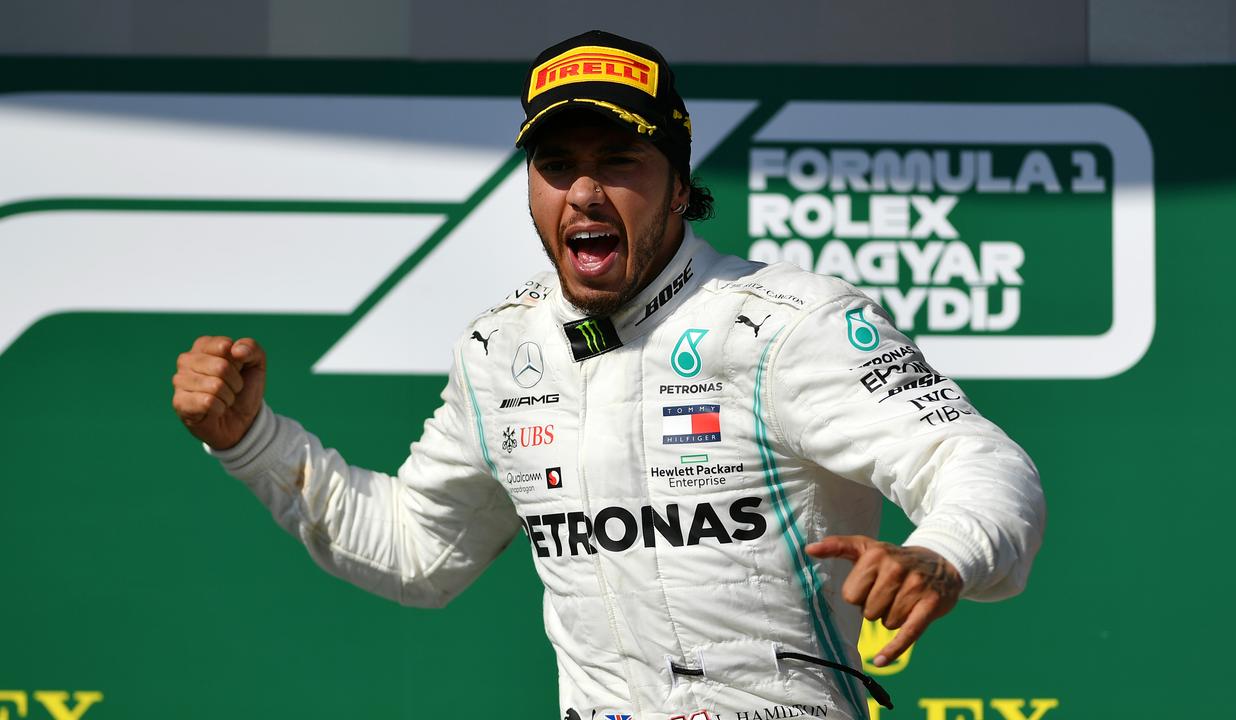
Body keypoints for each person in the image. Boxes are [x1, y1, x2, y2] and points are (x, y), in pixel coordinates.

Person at [171, 30, 1044, 720]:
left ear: (676, 186)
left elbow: (980, 464)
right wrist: (252, 443)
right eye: (557, 166)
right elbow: (419, 551)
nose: (584, 192)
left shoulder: (786, 323)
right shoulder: (500, 352)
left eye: (619, 162)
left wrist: (943, 553)